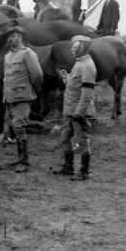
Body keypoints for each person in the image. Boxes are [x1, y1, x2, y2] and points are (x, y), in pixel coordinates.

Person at [0, 24, 43, 173]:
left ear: (20, 37)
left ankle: (24, 162)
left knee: (19, 128)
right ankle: (20, 159)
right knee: (15, 127)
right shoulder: (8, 56)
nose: (10, 40)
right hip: (10, 98)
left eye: (12, 36)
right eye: (8, 37)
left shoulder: (27, 54)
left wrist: (31, 91)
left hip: (22, 97)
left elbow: (37, 75)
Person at [54, 35, 96, 180]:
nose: (72, 48)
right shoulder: (79, 63)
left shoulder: (88, 66)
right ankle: (68, 167)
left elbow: (87, 93)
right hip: (69, 111)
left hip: (78, 113)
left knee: (83, 140)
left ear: (82, 47)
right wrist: (66, 78)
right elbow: (75, 86)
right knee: (65, 138)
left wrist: (79, 113)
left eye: (74, 46)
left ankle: (84, 172)